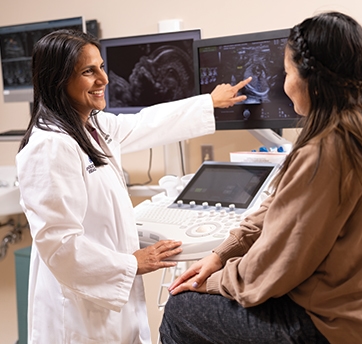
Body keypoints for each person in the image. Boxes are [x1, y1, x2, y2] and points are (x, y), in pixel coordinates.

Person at [159, 12, 362, 344]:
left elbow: (266, 273)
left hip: (328, 327)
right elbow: (281, 206)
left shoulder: (325, 151)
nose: (283, 84)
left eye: (286, 72)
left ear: (311, 78)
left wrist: (210, 281)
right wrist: (222, 253)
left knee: (181, 307)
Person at [16, 29, 251, 344]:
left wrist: (208, 102)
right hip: (76, 309)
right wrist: (132, 263)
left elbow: (146, 122)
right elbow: (58, 246)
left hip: (106, 299)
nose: (105, 79)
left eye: (101, 67)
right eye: (89, 71)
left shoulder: (92, 126)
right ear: (57, 79)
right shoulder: (49, 146)